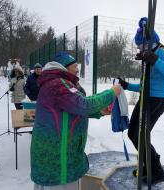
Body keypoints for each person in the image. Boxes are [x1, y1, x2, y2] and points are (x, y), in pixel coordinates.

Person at [30, 51, 121, 190]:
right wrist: (111, 93)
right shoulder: (58, 85)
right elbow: (83, 104)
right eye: (74, 66)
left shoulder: (59, 83)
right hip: (58, 160)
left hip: (60, 155)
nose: (78, 69)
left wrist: (99, 111)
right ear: (64, 67)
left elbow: (70, 108)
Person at [118, 17, 164, 185]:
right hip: (146, 97)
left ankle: (157, 171)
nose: (138, 48)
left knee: (142, 135)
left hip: (157, 100)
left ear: (150, 42)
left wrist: (154, 59)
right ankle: (147, 165)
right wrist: (127, 85)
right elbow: (145, 85)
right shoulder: (148, 55)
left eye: (140, 45)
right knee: (133, 133)